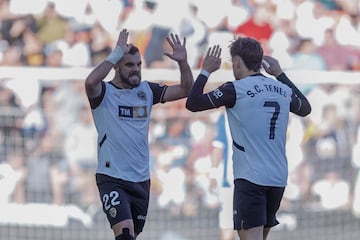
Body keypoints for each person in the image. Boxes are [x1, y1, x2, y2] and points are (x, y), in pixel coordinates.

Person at [186, 37, 311, 240]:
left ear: (236, 62)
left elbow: (193, 103)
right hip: (277, 178)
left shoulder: (235, 89)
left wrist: (206, 71)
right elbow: (305, 108)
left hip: (251, 179)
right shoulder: (282, 90)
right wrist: (280, 75)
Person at [84, 28, 193, 240]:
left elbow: (185, 90)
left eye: (138, 65)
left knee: (132, 235)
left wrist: (183, 62)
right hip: (112, 178)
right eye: (129, 65)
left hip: (141, 179)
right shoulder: (104, 93)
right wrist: (115, 53)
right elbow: (90, 82)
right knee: (124, 233)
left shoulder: (147, 91)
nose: (135, 70)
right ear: (117, 66)